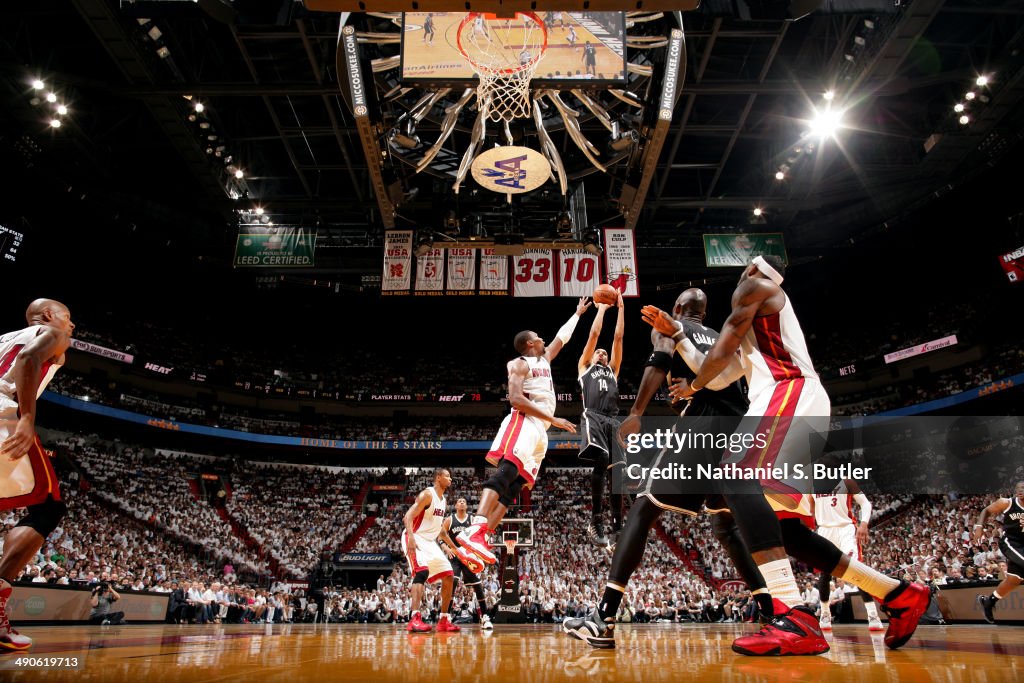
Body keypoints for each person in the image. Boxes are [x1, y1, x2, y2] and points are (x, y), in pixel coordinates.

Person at [658, 255, 929, 655]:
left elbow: (712, 364)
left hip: (789, 391)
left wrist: (693, 380)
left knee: (734, 477)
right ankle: (898, 593)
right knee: (783, 527)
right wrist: (681, 339)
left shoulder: (752, 288)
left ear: (753, 269)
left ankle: (794, 617)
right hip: (787, 400)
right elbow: (720, 371)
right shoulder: (758, 319)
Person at [564, 288, 768, 648]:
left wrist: (637, 412)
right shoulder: (726, 336)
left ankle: (605, 617)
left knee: (643, 509)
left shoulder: (670, 325)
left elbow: (658, 363)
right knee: (726, 527)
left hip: (703, 429)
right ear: (704, 312)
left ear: (677, 308)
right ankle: (769, 610)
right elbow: (730, 386)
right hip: (739, 434)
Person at [457, 299, 588, 564]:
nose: (543, 340)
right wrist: (554, 418)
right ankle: (474, 527)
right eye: (539, 338)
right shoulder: (518, 364)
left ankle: (482, 537)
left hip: (541, 429)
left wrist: (577, 314)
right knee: (506, 472)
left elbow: (562, 338)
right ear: (530, 343)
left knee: (516, 487)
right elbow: (516, 399)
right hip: (525, 420)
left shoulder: (545, 359)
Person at [0, 298, 74, 651]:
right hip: (4, 417)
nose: (71, 326)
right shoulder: (53, 332)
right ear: (48, 316)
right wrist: (27, 418)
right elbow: (29, 359)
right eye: (68, 318)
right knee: (49, 506)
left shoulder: (3, 337)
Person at [576, 290, 624, 546]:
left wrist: (622, 308)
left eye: (604, 353)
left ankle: (617, 523)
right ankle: (596, 520)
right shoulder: (585, 368)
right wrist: (603, 309)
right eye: (599, 353)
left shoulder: (613, 371)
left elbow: (618, 337)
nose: (602, 353)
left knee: (618, 470)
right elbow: (595, 335)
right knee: (603, 457)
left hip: (613, 420)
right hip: (593, 416)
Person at [402, 469, 474, 633]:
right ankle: (414, 619)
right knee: (421, 573)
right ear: (438, 478)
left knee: (449, 575)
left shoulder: (443, 501)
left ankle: (443, 620)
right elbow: (408, 517)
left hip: (429, 541)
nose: (450, 479)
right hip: (415, 536)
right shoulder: (427, 495)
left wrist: (456, 550)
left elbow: (441, 532)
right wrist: (411, 538)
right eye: (447, 476)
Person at [814, 477, 883, 631]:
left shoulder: (846, 481)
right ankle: (825, 613)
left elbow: (865, 502)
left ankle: (872, 614)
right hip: (824, 529)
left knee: (855, 569)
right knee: (825, 574)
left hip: (846, 529)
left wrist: (864, 523)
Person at [975, 480, 1024, 623]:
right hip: (1011, 542)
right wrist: (979, 527)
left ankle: (989, 601)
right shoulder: (1006, 502)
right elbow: (987, 511)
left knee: (1014, 579)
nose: (1020, 490)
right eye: (1018, 488)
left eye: (1023, 488)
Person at [441, 497, 492, 629]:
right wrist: (446, 548)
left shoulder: (472, 519)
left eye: (464, 501)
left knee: (477, 584)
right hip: (456, 555)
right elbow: (440, 535)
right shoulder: (450, 519)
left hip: (469, 556)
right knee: (453, 581)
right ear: (456, 506)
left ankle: (485, 616)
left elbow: (482, 533)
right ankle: (447, 616)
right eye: (459, 501)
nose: (462, 502)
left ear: (467, 506)